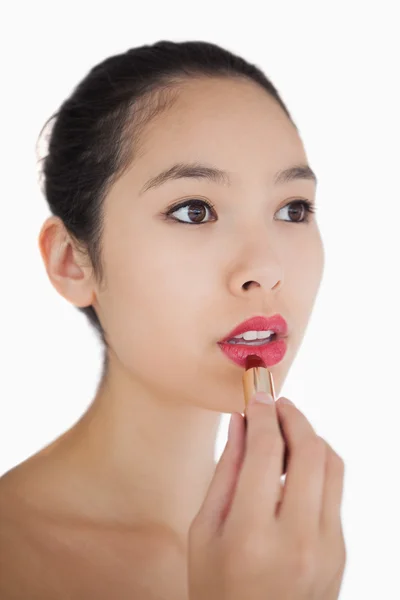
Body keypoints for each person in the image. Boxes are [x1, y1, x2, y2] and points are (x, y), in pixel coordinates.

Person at [0, 40, 346, 599]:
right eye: (194, 210)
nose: (265, 269)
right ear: (71, 260)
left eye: (293, 209)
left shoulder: (296, 550)